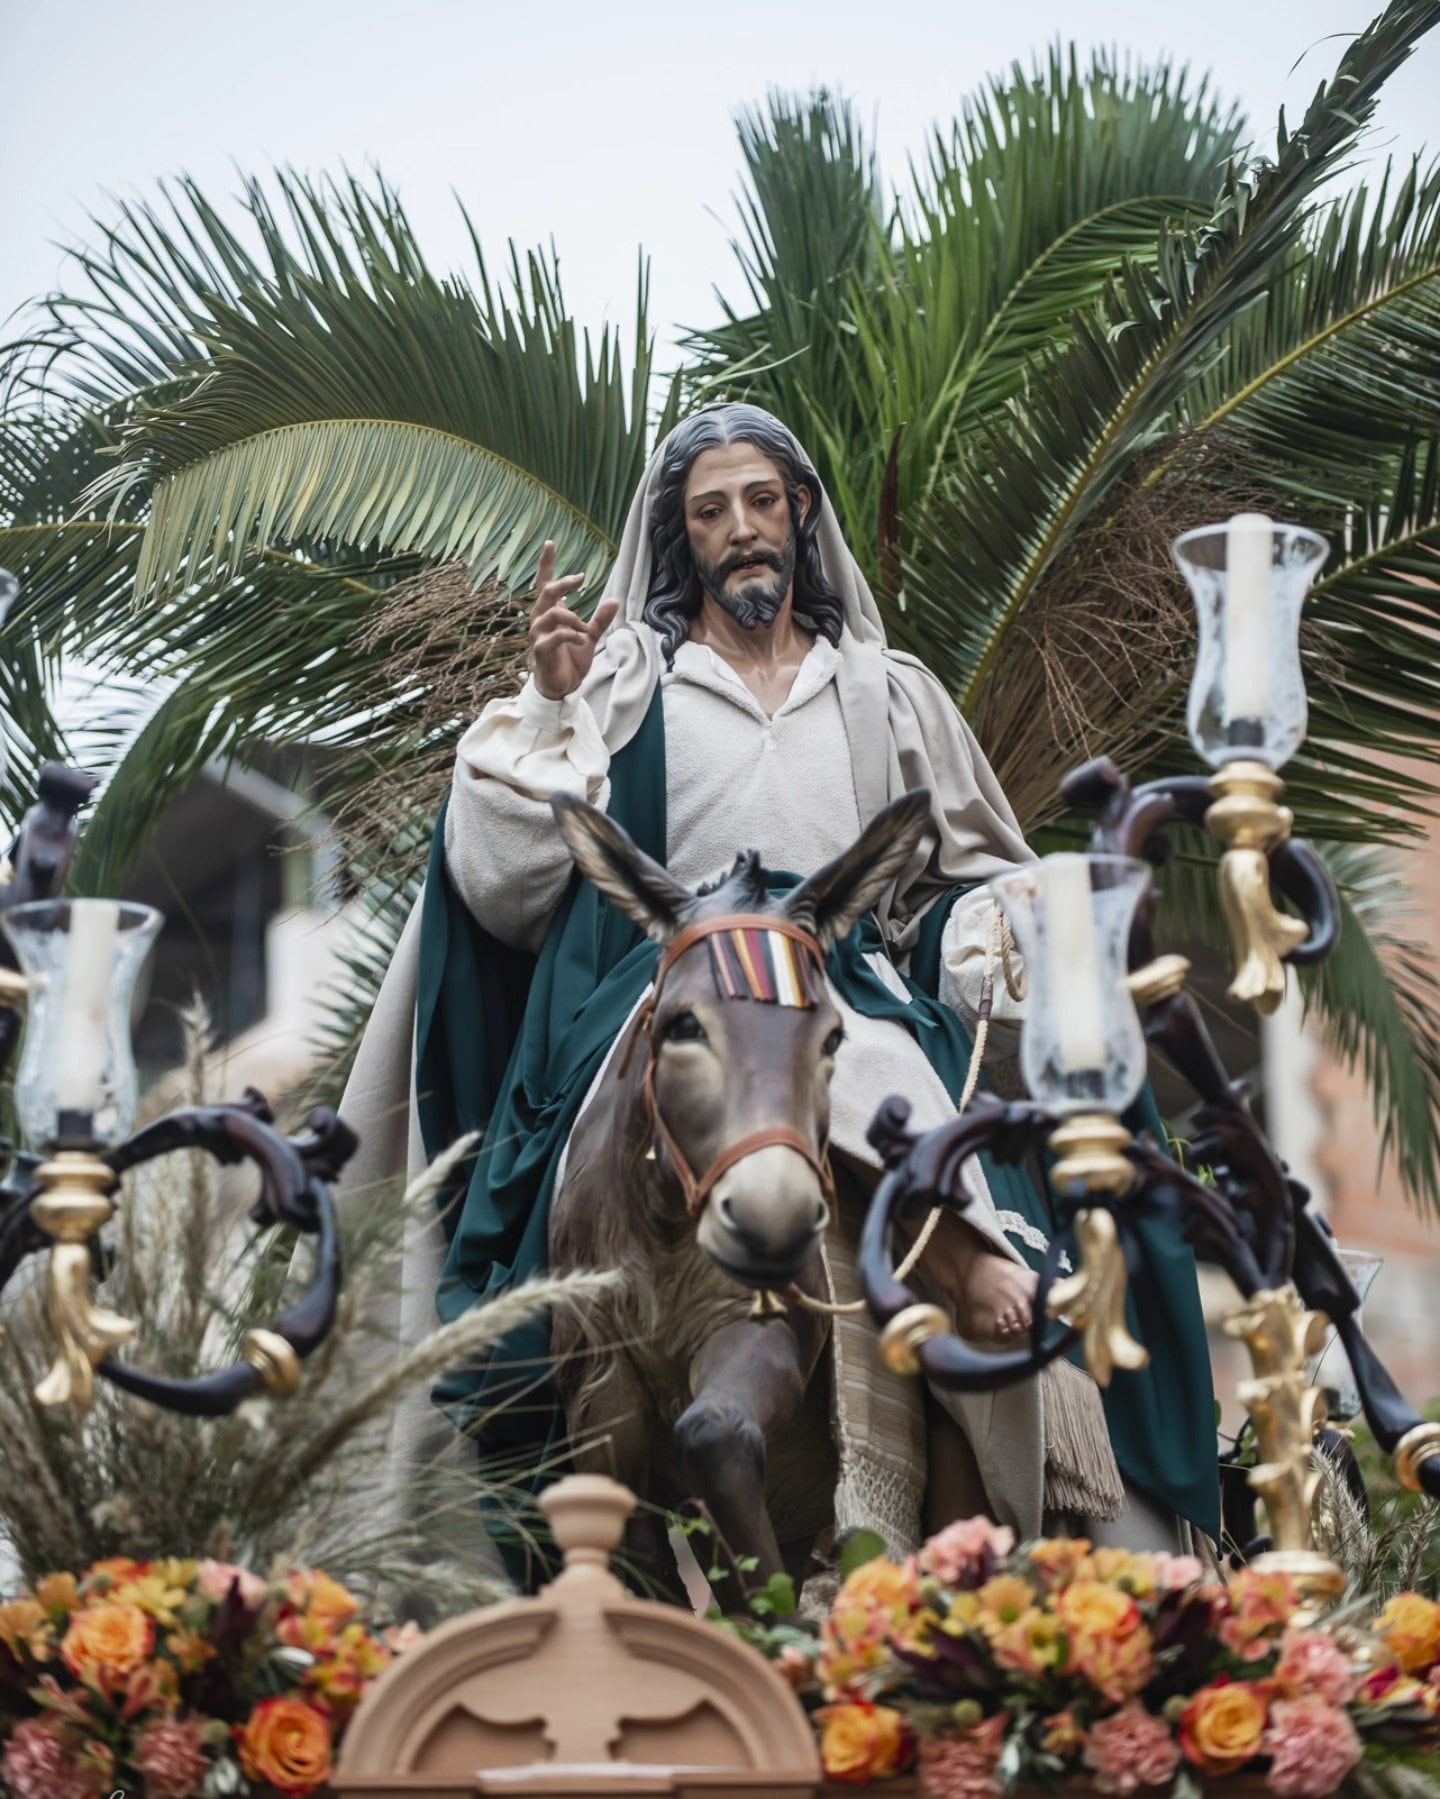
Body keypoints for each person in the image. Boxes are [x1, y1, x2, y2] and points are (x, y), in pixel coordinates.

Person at [343, 403, 1218, 1568]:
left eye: (761, 502)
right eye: (711, 511)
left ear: (801, 514)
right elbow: (501, 883)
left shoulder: (886, 691)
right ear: (681, 537)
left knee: (880, 1052)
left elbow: (963, 878)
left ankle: (1010, 1394)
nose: (741, 529)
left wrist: (1009, 922)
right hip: (669, 980)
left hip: (842, 975)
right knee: (763, 1032)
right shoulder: (628, 683)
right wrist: (550, 707)